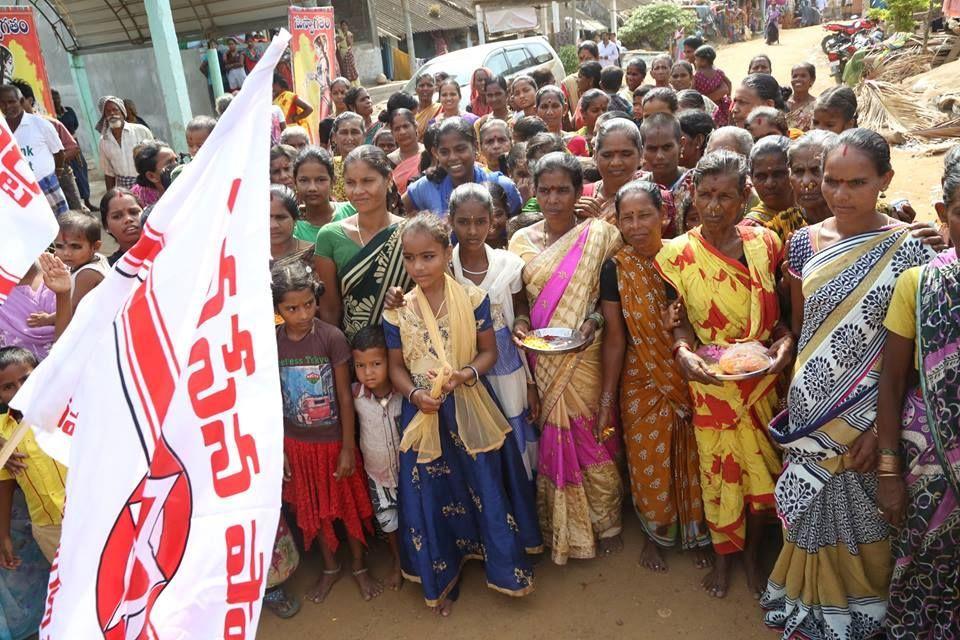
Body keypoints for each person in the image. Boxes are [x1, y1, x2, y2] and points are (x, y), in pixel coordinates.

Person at [761, 129, 938, 639]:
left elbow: (915, 354)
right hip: (811, 407)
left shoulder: (911, 251)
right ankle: (808, 606)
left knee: (867, 525)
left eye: (856, 182)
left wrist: (881, 434)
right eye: (831, 181)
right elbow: (802, 327)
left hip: (870, 415)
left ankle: (862, 617)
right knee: (807, 510)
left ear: (885, 180)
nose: (840, 194)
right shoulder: (803, 242)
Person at [383, 213, 540, 615]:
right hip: (424, 410)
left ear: (446, 252)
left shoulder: (472, 299)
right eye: (412, 258)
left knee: (483, 482)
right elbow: (396, 367)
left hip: (469, 404)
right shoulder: (398, 310)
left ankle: (500, 564)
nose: (420, 267)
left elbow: (488, 352)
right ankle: (443, 575)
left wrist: (464, 374)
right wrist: (416, 395)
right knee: (431, 492)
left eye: (429, 257)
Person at [657, 150, 792, 599]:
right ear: (692, 193)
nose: (713, 205)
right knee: (718, 475)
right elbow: (675, 319)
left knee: (762, 478)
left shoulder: (766, 244)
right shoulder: (676, 254)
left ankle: (753, 559)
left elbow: (785, 316)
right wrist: (681, 350)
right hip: (711, 383)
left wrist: (785, 343)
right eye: (706, 194)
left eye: (726, 196)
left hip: (762, 381)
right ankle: (722, 560)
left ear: (744, 196)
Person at [509, 152, 625, 564]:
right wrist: (521, 322)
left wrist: (593, 321)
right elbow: (519, 299)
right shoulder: (520, 241)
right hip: (541, 355)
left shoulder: (601, 236)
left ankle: (604, 519)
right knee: (552, 435)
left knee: (592, 433)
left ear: (579, 193)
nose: (554, 199)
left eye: (563, 190)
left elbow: (608, 298)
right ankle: (559, 525)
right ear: (534, 192)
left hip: (585, 352)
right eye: (545, 190)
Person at [600, 181, 711, 572]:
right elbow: (615, 339)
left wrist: (678, 330)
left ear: (664, 215)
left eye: (644, 214)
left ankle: (699, 533)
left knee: (696, 458)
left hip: (690, 371)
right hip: (640, 375)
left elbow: (708, 318)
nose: (635, 225)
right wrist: (607, 400)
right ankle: (655, 534)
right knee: (648, 460)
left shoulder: (686, 256)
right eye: (626, 217)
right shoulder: (616, 267)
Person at [876, 149, 960, 638]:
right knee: (925, 566)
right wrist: (889, 471)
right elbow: (892, 381)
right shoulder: (921, 282)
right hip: (929, 460)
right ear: (943, 215)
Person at [271, 261, 381, 604]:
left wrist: (347, 446)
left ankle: (360, 566)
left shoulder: (331, 338)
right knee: (312, 510)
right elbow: (272, 398)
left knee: (348, 506)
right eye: (291, 308)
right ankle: (331, 567)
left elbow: (345, 397)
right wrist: (282, 449)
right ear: (277, 309)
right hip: (296, 444)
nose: (302, 314)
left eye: (308, 304)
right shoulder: (272, 342)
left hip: (333, 441)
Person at [445, 184, 539, 474]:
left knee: (513, 429)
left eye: (480, 221)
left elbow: (521, 306)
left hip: (508, 364)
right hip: (465, 368)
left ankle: (520, 500)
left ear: (492, 220)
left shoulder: (509, 264)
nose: (472, 230)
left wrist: (521, 323)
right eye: (463, 222)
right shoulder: (445, 268)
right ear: (451, 221)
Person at [314, 146, 409, 339]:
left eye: (367, 181)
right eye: (350, 183)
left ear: (389, 179)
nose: (358, 191)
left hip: (407, 347)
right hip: (355, 355)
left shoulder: (411, 233)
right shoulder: (329, 236)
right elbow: (330, 310)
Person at [350, 325, 404, 592]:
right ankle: (398, 563)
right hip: (377, 475)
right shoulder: (355, 397)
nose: (368, 372)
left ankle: (418, 563)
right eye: (360, 365)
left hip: (407, 474)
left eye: (376, 364)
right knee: (388, 522)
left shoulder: (404, 394)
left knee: (414, 519)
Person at [0, 346, 65, 563]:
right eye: (8, 387)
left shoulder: (63, 408)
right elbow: (4, 487)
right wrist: (3, 535)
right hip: (49, 529)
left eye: (26, 380)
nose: (20, 390)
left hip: (92, 509)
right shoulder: (2, 431)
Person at [403, 118, 521, 218]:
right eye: (444, 152)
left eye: (460, 149)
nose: (453, 157)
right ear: (435, 153)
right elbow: (396, 213)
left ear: (475, 146)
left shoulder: (502, 185)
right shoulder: (428, 186)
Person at [1, 84, 67, 216]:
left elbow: (59, 153)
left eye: (11, 102)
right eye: (2, 103)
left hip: (46, 186)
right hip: (18, 192)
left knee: (62, 226)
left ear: (21, 101)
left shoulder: (40, 124)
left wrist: (57, 175)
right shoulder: (2, 130)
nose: (7, 107)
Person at [741, 136, 804, 243]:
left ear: (794, 172)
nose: (769, 184)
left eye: (778, 174)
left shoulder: (814, 211)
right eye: (761, 176)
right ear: (751, 177)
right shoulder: (750, 229)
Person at [579, 119, 644, 221]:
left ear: (641, 154)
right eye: (607, 155)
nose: (616, 163)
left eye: (626, 154)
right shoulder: (580, 197)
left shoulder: (656, 199)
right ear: (595, 156)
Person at [53, 211, 108, 317]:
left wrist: (45, 319)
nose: (66, 253)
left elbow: (72, 309)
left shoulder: (87, 274)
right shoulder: (97, 258)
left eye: (75, 246)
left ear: (95, 247)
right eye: (59, 246)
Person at [641, 113, 688, 237]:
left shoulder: (696, 185)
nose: (659, 156)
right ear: (643, 150)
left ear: (681, 145)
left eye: (667, 147)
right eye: (652, 149)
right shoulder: (637, 190)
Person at [96, 95, 154, 190]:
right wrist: (110, 198)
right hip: (124, 188)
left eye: (115, 110)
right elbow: (108, 173)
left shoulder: (141, 131)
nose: (112, 114)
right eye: (108, 111)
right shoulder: (104, 141)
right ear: (104, 116)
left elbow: (154, 158)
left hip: (146, 183)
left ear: (123, 112)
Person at [293, 147, 347, 243]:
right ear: (295, 182)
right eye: (304, 180)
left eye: (321, 180)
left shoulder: (351, 212)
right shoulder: (293, 228)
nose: (312, 188)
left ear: (333, 181)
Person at [52, 88, 95, 211]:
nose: (56, 100)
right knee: (70, 177)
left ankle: (87, 200)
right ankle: (77, 204)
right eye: (53, 98)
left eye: (57, 97)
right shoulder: (52, 116)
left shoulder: (69, 111)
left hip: (73, 146)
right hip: (61, 150)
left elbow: (75, 125)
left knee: (81, 172)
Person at [786, 130, 836, 227]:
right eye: (798, 171)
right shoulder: (780, 230)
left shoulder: (866, 221)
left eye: (816, 170)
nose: (806, 182)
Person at [535, 86, 588, 157]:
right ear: (536, 111)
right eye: (544, 107)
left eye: (555, 106)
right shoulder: (533, 144)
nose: (549, 112)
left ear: (565, 109)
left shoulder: (577, 141)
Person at [270, 184, 314, 265]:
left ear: (295, 219)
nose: (273, 225)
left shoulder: (313, 255)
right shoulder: (247, 257)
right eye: (266, 219)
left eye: (281, 217)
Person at [100, 187, 143, 266]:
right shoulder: (108, 269)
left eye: (134, 212)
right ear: (106, 226)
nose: (128, 219)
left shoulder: (167, 251)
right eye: (117, 216)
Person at [692, 46, 732, 126]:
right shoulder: (719, 72)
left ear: (703, 61)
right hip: (721, 105)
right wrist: (728, 95)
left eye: (696, 60)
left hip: (706, 106)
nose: (695, 62)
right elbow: (729, 83)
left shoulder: (697, 75)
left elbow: (692, 90)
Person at [330, 111, 366, 201]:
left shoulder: (375, 166)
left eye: (354, 132)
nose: (349, 138)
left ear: (364, 135)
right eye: (344, 133)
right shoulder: (327, 167)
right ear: (334, 137)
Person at [386, 108, 423, 195]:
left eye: (406, 126)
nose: (402, 132)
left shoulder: (428, 154)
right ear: (392, 133)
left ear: (415, 126)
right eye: (397, 129)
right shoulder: (389, 161)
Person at [130, 141, 178, 207]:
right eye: (169, 162)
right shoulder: (147, 210)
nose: (177, 165)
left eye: (176, 160)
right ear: (151, 176)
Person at [561, 41, 600, 117]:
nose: (583, 63)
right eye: (581, 58)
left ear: (597, 58)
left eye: (588, 59)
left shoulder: (604, 78)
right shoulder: (568, 83)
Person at [786, 63, 816, 131]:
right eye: (795, 76)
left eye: (803, 76)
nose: (798, 79)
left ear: (812, 80)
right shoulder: (783, 103)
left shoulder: (817, 106)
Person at [413, 72, 441, 138]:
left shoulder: (440, 108)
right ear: (416, 90)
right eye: (422, 85)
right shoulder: (410, 111)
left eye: (429, 85)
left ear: (435, 89)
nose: (425, 88)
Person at [336, 20, 360, 85]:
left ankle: (355, 85)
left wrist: (347, 36)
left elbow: (350, 44)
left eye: (345, 25)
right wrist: (339, 39)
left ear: (347, 26)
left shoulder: (349, 34)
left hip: (348, 53)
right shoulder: (338, 34)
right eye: (342, 25)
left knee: (352, 69)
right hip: (342, 53)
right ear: (340, 26)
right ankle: (347, 85)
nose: (344, 27)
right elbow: (336, 42)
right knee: (344, 70)